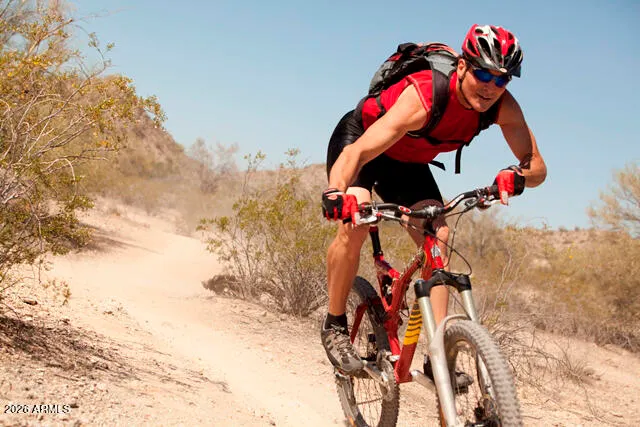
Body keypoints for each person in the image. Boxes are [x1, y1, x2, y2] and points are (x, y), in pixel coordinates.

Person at [320, 24, 547, 374]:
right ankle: (334, 325)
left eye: (501, 79)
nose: (490, 86)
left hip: (407, 162)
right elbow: (357, 153)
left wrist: (517, 175)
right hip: (362, 143)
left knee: (438, 235)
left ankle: (439, 352)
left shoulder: (502, 106)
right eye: (483, 74)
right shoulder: (426, 95)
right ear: (462, 67)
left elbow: (537, 167)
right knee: (355, 224)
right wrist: (336, 192)